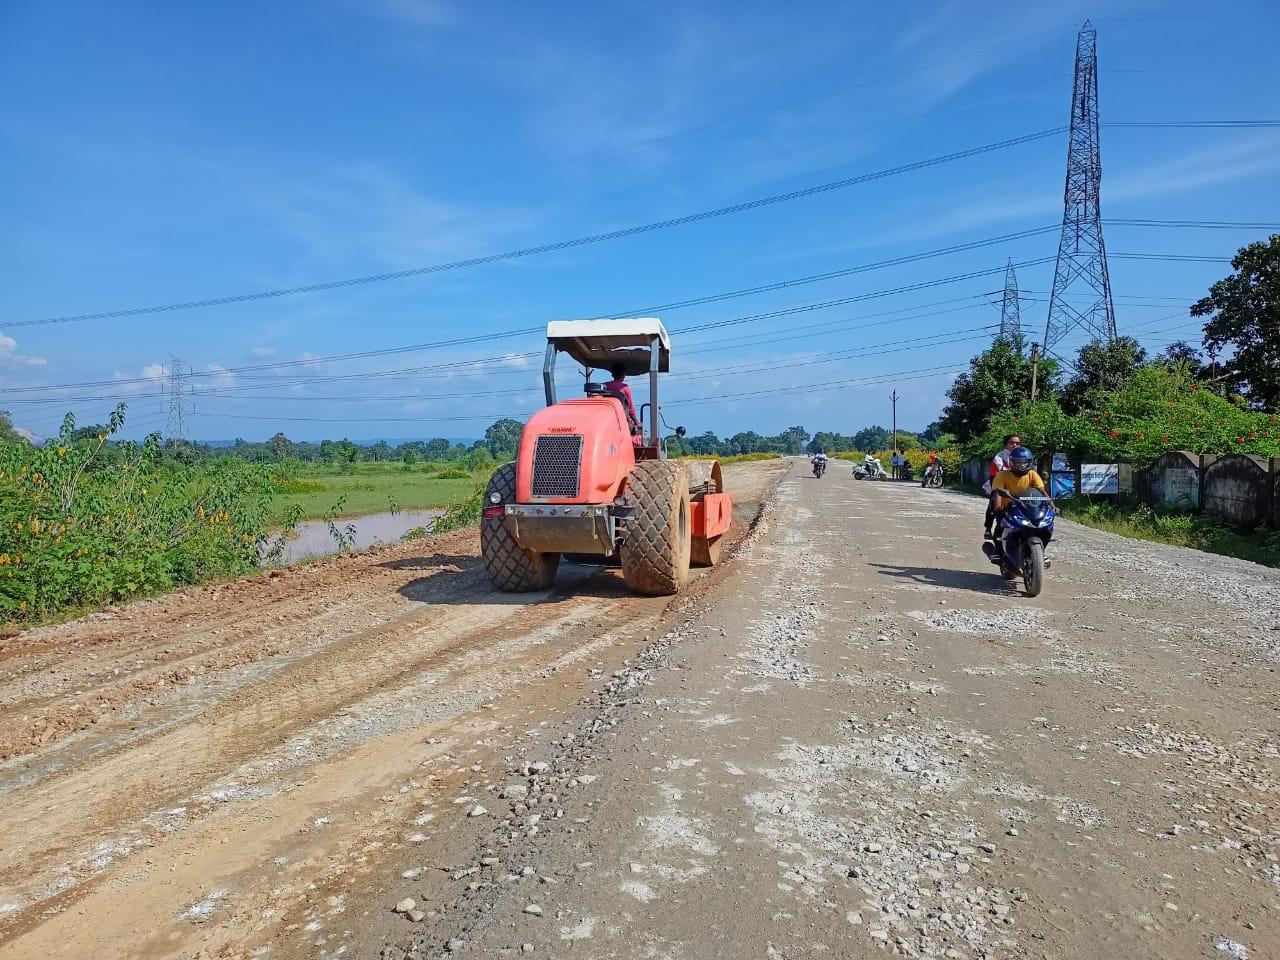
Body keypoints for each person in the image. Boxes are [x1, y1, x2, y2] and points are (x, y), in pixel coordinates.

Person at [988, 446, 1055, 536]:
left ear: (1029, 463)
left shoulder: (1032, 474)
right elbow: (997, 492)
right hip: (1008, 509)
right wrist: (998, 507)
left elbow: (1041, 490)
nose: (1022, 465)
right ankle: (998, 549)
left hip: (1027, 507)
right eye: (1018, 462)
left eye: (1025, 462)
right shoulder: (1002, 475)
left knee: (1042, 527)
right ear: (1012, 462)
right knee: (1000, 530)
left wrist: (1051, 504)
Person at [982, 434, 1021, 538]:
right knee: (993, 505)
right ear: (1005, 445)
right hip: (999, 483)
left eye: (1017, 443)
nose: (1015, 445)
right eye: (1011, 443)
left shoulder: (1021, 456)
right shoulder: (999, 457)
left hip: (1017, 485)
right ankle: (988, 528)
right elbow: (1000, 473)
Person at [603, 363, 640, 434]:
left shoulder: (604, 386)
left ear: (612, 374)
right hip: (622, 421)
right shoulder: (625, 388)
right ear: (623, 375)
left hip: (606, 419)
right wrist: (637, 423)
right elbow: (631, 410)